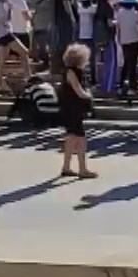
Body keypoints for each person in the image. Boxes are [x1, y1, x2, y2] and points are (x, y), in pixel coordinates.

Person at [57, 43, 97, 179]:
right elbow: (79, 91)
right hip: (71, 109)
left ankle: (66, 167)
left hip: (71, 108)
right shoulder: (71, 72)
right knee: (80, 139)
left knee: (71, 138)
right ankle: (82, 169)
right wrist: (89, 96)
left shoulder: (74, 72)